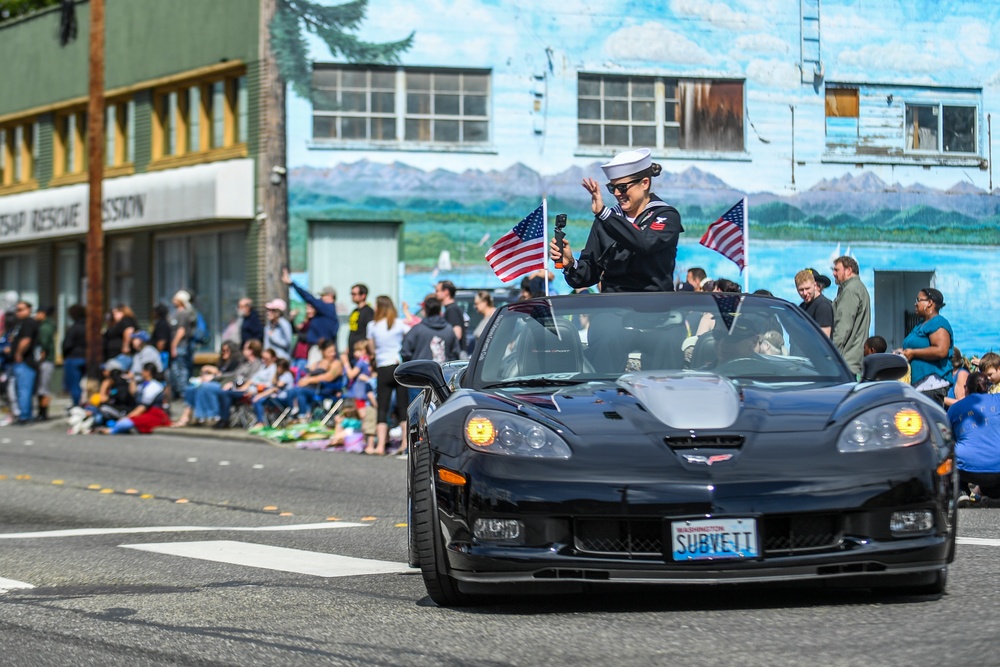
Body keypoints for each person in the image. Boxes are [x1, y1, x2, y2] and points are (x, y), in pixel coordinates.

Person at [550, 147, 683, 293]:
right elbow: (587, 275)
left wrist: (604, 214)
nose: (617, 194)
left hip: (654, 309)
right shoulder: (606, 220)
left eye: (622, 187)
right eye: (612, 188)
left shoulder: (665, 216)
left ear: (645, 183)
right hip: (613, 308)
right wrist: (570, 264)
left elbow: (645, 243)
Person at [365, 295, 410, 456]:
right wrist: (407, 312)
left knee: (382, 407)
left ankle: (380, 446)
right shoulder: (399, 323)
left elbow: (371, 348)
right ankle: (405, 443)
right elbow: (412, 329)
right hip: (398, 365)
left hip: (383, 367)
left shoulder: (372, 325)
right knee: (403, 406)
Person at [947, 372, 1000, 506]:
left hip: (967, 469)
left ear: (966, 389)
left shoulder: (955, 408)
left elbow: (948, 439)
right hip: (997, 466)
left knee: (949, 450)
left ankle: (961, 491)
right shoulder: (998, 400)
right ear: (987, 387)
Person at [896, 288, 953, 407]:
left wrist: (914, 353)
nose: (915, 303)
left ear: (930, 303)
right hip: (919, 386)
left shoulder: (938, 323)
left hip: (932, 386)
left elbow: (941, 350)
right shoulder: (920, 325)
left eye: (918, 300)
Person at [170, 340, 243, 427]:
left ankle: (208, 415)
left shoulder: (236, 363)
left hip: (226, 384)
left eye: (226, 350)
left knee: (205, 387)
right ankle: (187, 416)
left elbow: (232, 376)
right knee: (191, 389)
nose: (224, 353)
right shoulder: (222, 362)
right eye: (222, 350)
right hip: (216, 382)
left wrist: (215, 375)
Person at [281, 268, 339, 359]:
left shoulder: (328, 307)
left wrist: (292, 284)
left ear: (330, 296)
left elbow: (309, 298)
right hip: (318, 347)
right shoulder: (324, 312)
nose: (320, 298)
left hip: (320, 348)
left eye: (322, 296)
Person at [99, 363, 170, 435]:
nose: (141, 372)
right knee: (117, 422)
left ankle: (111, 431)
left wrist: (128, 417)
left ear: (148, 372)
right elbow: (133, 393)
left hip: (154, 414)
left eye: (143, 370)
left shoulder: (154, 386)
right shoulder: (143, 384)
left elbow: (143, 407)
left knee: (124, 423)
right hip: (144, 412)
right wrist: (132, 379)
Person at [831, 255, 871, 377]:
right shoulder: (859, 288)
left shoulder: (851, 290)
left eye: (837, 270)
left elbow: (843, 327)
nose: (833, 273)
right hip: (853, 361)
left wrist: (829, 353)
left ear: (849, 270)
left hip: (846, 362)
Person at [4, 301, 39, 424]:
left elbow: (26, 340)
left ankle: (25, 416)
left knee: (23, 390)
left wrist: (18, 353)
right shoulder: (19, 324)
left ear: (29, 310)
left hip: (25, 362)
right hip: (18, 362)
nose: (18, 312)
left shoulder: (29, 323)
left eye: (21, 309)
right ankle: (25, 414)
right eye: (17, 310)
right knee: (20, 390)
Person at [401, 296, 461, 365]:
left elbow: (405, 352)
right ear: (439, 310)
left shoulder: (417, 330)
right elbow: (455, 354)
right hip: (442, 373)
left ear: (425, 310)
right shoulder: (449, 330)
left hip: (420, 372)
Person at [168, 290, 196, 402]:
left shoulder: (183, 313)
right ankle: (179, 393)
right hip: (180, 346)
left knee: (180, 370)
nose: (173, 301)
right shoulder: (178, 313)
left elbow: (181, 331)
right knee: (176, 370)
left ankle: (184, 395)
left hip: (181, 346)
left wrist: (173, 345)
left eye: (175, 299)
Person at [62, 304, 88, 407]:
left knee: (75, 385)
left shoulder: (74, 328)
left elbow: (67, 344)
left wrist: (65, 356)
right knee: (87, 384)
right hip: (87, 358)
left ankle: (77, 405)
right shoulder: (90, 327)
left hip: (74, 358)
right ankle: (85, 404)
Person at [795, 268, 834, 337]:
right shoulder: (802, 306)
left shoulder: (823, 305)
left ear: (815, 286)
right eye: (801, 290)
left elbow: (824, 339)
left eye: (807, 288)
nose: (805, 293)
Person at [33, 306, 56, 421]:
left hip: (46, 361)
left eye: (37, 313)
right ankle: (41, 412)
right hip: (47, 361)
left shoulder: (45, 327)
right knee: (41, 388)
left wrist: (39, 361)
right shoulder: (46, 325)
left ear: (43, 314)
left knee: (43, 388)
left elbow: (44, 346)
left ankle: (43, 413)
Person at [345, 284, 374, 368]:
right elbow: (353, 330)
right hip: (352, 351)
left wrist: (364, 349)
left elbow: (369, 333)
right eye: (351, 294)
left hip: (361, 353)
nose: (352, 296)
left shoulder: (368, 311)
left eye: (354, 294)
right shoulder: (355, 311)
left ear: (363, 295)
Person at [435, 280, 467, 349]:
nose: (435, 294)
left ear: (446, 292)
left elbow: (457, 334)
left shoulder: (452, 310)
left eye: (437, 291)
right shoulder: (451, 308)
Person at [150, 303, 172, 371]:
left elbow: (161, 341)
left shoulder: (162, 324)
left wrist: (157, 353)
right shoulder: (162, 323)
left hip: (162, 354)